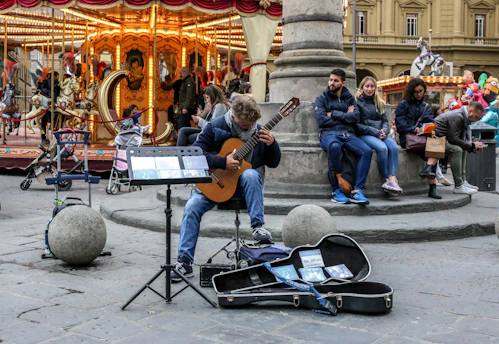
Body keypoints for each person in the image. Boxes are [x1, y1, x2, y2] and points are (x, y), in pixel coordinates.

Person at [172, 95, 280, 281]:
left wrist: (272, 145)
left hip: (245, 187)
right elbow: (195, 154)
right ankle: (184, 261)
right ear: (234, 117)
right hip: (216, 183)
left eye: (253, 123)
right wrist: (222, 162)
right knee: (191, 207)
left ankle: (258, 227)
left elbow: (273, 162)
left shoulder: (260, 131)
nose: (250, 128)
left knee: (251, 173)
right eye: (246, 125)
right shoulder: (215, 126)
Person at [315, 68, 373, 205]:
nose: (332, 83)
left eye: (336, 81)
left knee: (367, 151)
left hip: (348, 134)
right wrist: (345, 115)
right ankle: (336, 191)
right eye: (330, 80)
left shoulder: (349, 98)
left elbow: (355, 117)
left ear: (343, 83)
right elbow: (322, 120)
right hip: (328, 134)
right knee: (334, 147)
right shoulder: (321, 98)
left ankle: (357, 190)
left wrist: (333, 113)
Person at [355, 76, 403, 194]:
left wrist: (384, 131)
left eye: (372, 86)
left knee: (394, 146)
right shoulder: (357, 103)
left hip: (380, 133)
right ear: (362, 88)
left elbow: (385, 121)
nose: (370, 89)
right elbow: (358, 125)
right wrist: (376, 131)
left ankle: (392, 179)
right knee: (382, 148)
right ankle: (386, 177)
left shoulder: (379, 102)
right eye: (367, 86)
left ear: (375, 88)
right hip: (365, 134)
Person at [395, 78, 441, 199]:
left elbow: (429, 121)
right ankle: (432, 187)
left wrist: (431, 130)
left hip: (423, 137)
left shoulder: (425, 106)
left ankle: (428, 170)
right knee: (434, 152)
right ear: (411, 92)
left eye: (421, 91)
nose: (419, 94)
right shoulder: (403, 105)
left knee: (437, 146)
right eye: (416, 92)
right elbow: (401, 126)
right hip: (408, 138)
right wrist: (415, 129)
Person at [434, 102, 486, 194]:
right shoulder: (458, 117)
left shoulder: (463, 116)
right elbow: (453, 139)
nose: (476, 120)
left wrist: (471, 145)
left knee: (463, 148)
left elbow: (455, 139)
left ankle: (462, 181)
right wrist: (472, 145)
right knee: (457, 150)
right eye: (476, 117)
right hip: (435, 141)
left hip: (441, 139)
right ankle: (459, 185)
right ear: (470, 111)